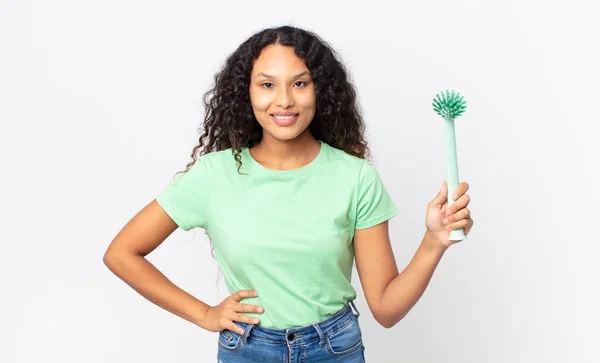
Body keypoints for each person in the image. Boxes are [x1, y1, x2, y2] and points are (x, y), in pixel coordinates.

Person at [103, 25, 474, 362]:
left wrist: (433, 241)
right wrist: (204, 314)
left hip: (334, 350)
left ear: (320, 90)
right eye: (267, 85)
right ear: (245, 92)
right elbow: (122, 253)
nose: (284, 100)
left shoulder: (356, 178)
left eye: (300, 83)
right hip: (247, 350)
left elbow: (386, 309)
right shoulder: (213, 175)